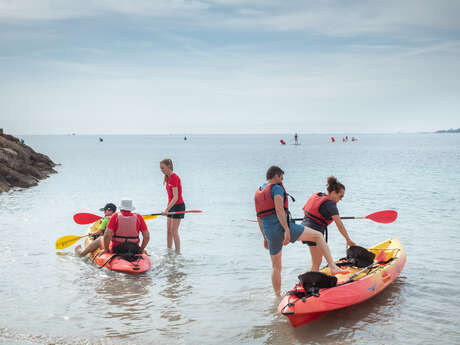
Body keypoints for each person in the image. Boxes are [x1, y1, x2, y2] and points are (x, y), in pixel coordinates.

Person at [255, 166, 345, 296]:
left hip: (269, 232)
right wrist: (286, 229)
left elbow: (259, 217)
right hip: (282, 227)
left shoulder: (258, 192)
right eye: (281, 178)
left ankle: (277, 297)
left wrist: (265, 237)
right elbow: (279, 210)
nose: (282, 181)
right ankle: (332, 266)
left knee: (276, 267)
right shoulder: (276, 188)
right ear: (276, 176)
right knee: (318, 236)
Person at [302, 176, 356, 271]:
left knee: (316, 261)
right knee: (316, 262)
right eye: (340, 196)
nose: (340, 199)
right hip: (315, 233)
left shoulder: (319, 195)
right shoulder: (331, 205)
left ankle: (312, 281)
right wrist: (348, 239)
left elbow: (304, 208)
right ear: (334, 192)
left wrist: (319, 217)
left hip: (305, 229)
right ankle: (315, 280)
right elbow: (339, 224)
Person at [160, 158, 185, 253]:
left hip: (178, 206)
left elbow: (176, 197)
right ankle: (169, 252)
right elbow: (170, 198)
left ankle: (177, 253)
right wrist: (168, 208)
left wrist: (166, 210)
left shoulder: (174, 178)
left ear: (169, 166)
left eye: (163, 168)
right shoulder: (168, 177)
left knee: (174, 231)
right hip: (171, 205)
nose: (162, 170)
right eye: (160, 168)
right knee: (168, 231)